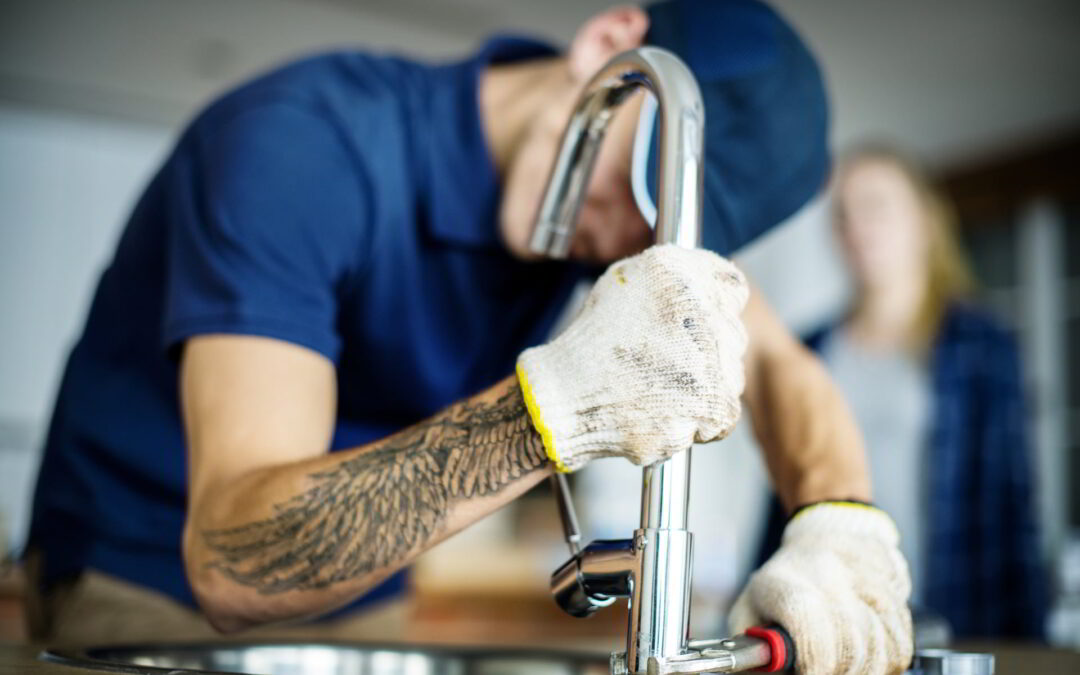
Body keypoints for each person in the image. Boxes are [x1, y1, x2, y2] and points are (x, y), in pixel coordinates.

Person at [27, 1, 912, 672]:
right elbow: (232, 558)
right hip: (139, 581)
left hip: (364, 595)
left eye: (658, 230)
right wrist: (552, 411)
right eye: (636, 185)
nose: (617, 240)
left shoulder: (597, 220)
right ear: (608, 47)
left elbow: (784, 370)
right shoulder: (303, 146)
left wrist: (842, 527)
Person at [759, 143, 1046, 639]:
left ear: (923, 220)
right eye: (842, 213)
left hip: (954, 620)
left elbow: (1010, 510)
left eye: (874, 206)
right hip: (834, 627)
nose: (855, 227)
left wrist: (1027, 644)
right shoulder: (809, 348)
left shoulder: (982, 346)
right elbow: (781, 503)